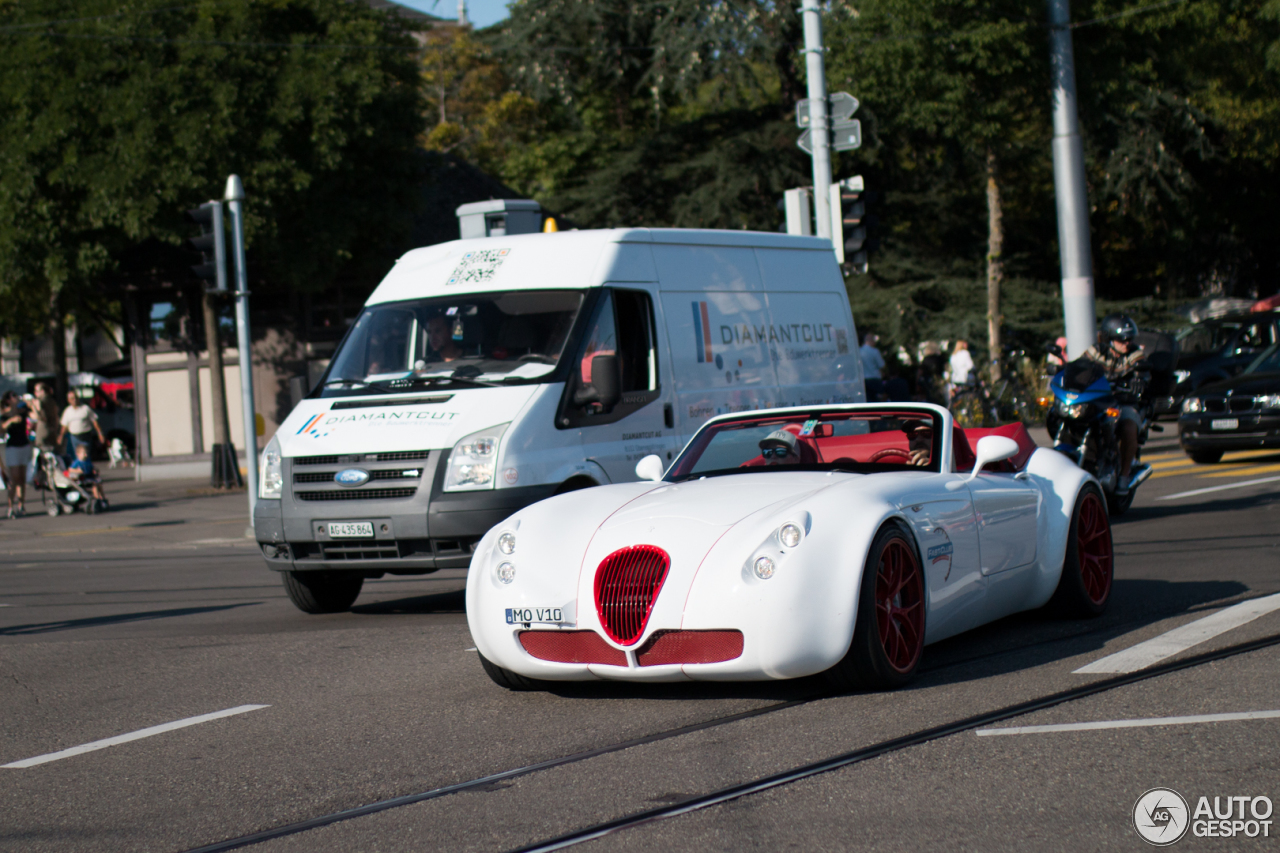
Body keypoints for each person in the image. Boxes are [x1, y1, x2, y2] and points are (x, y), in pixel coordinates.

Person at [1083, 313, 1145, 494]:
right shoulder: (1096, 350)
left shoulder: (1134, 354)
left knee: (1128, 426)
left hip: (1124, 402)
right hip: (1099, 401)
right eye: (1121, 339)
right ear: (1110, 338)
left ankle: (1124, 476)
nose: (1126, 343)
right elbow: (1080, 366)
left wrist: (1139, 379)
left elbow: (1143, 370)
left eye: (1128, 339)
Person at [2, 391, 32, 517]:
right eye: (14, 396)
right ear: (8, 400)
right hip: (12, 448)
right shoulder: (6, 414)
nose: (16, 398)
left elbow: (36, 415)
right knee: (14, 479)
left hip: (24, 445)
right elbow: (1, 429)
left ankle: (21, 505)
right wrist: (10, 421)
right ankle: (10, 506)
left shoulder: (23, 410)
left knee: (22, 479)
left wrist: (31, 403)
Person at [59, 390, 105, 458]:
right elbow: (64, 426)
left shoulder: (85, 408)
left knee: (85, 455)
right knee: (77, 456)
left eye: (75, 397)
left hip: (86, 436)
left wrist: (100, 434)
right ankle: (79, 468)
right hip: (74, 437)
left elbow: (95, 422)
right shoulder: (67, 411)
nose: (74, 400)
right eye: (72, 399)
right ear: (68, 400)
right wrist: (61, 437)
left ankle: (86, 468)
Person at [29, 382, 61, 456]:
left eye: (36, 391)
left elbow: (40, 417)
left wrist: (33, 406)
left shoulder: (41, 401)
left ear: (42, 391)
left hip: (43, 431)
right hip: (52, 430)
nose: (35, 393)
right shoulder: (52, 401)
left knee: (44, 455)